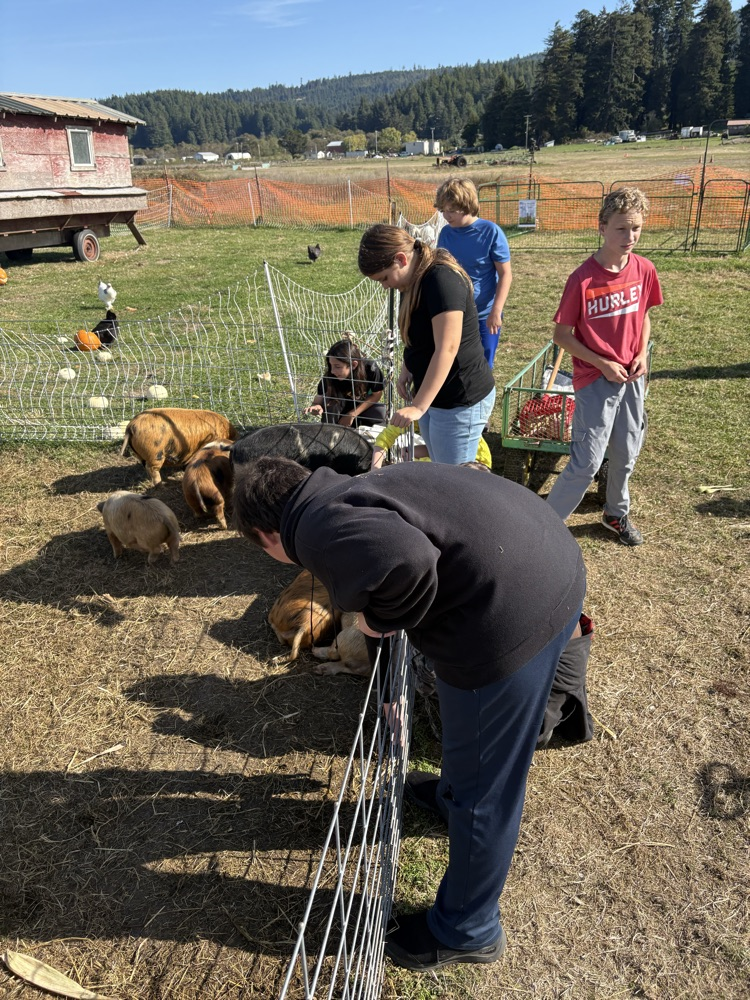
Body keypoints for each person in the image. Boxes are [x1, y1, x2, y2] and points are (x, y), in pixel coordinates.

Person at [233, 456, 586, 972]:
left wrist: (380, 620)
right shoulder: (348, 488)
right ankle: (451, 797)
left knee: (487, 793)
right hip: (549, 564)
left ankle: (468, 930)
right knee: (474, 760)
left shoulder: (312, 530)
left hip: (508, 615)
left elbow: (409, 561)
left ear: (267, 534)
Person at [545, 187, 663, 546]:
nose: (630, 237)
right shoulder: (582, 279)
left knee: (627, 453)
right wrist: (602, 363)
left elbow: (643, 315)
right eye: (622, 229)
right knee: (586, 463)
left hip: (632, 378)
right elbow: (561, 336)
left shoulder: (644, 269)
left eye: (637, 229)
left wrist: (642, 353)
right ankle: (543, 527)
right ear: (602, 227)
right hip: (595, 379)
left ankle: (615, 514)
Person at [358, 224, 495, 465]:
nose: (385, 285)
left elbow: (448, 348)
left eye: (385, 278)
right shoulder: (411, 278)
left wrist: (419, 407)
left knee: (453, 481)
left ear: (401, 259)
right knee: (439, 466)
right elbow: (419, 332)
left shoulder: (441, 280)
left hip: (459, 399)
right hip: (434, 396)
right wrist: (407, 367)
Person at [434, 177, 512, 368]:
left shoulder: (491, 232)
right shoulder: (445, 233)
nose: (446, 215)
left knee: (483, 365)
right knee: (453, 362)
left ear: (467, 205)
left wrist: (496, 311)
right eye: (443, 210)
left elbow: (505, 275)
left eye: (452, 210)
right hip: (455, 312)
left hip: (485, 315)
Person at [303, 337, 387, 428]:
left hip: (361, 407)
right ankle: (331, 433)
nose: (332, 371)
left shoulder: (371, 369)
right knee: (331, 407)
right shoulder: (330, 376)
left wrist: (352, 414)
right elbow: (318, 400)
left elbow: (376, 395)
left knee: (380, 412)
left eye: (337, 366)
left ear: (354, 365)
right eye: (331, 365)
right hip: (339, 411)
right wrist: (316, 407)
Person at [369, 420, 492, 470]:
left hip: (473, 463)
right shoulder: (415, 419)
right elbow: (385, 437)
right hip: (443, 450)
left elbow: (448, 450)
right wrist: (375, 469)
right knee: (407, 452)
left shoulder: (450, 422)